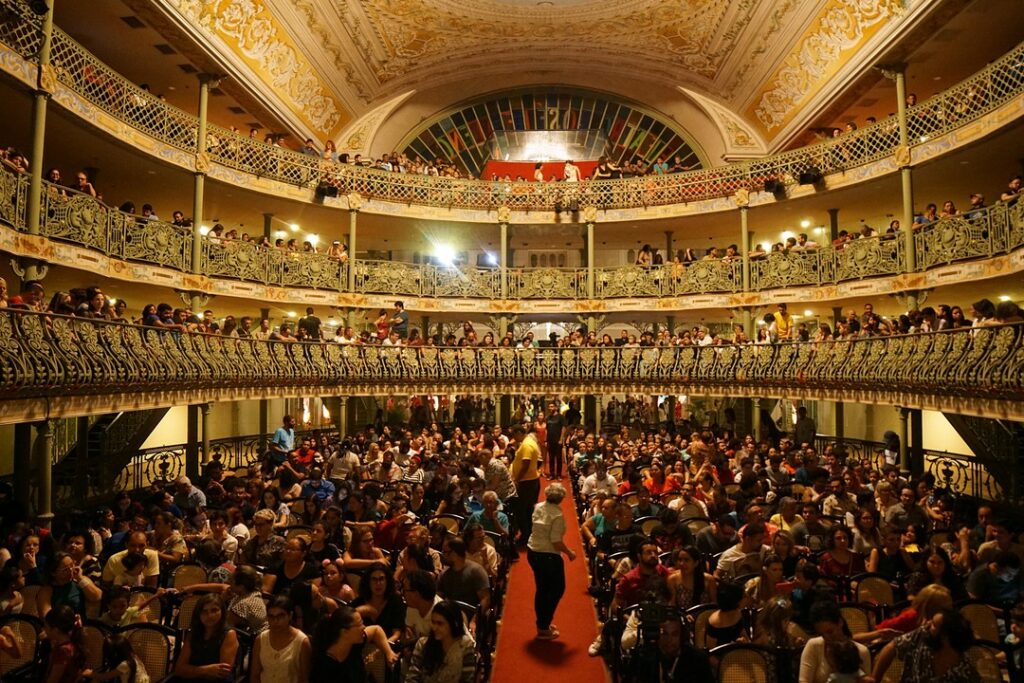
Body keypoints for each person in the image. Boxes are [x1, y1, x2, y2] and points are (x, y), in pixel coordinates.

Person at [872, 609, 980, 683]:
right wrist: (875, 679)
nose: (927, 624)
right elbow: (891, 648)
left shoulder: (965, 673)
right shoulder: (922, 635)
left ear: (945, 637)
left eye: (933, 624)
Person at [526, 482, 576, 640]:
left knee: (542, 589)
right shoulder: (558, 515)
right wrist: (569, 552)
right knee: (556, 590)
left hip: (533, 551)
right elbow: (556, 541)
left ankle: (543, 624)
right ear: (561, 499)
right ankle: (543, 626)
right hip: (548, 556)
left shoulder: (538, 506)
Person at [310, 604, 398, 680]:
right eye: (359, 624)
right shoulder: (324, 666)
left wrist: (389, 653)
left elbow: (376, 630)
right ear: (345, 632)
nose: (364, 627)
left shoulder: (355, 644)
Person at [172, 594, 239, 683]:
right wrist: (206, 670)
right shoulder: (193, 633)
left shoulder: (229, 634)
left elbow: (222, 673)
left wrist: (192, 670)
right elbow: (179, 669)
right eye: (204, 611)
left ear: (222, 611)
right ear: (198, 614)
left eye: (214, 610)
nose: (209, 615)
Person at [799, 601, 870, 683]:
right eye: (821, 634)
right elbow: (804, 681)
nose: (826, 638)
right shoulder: (814, 645)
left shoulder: (862, 651)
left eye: (830, 632)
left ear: (840, 622)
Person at [406, 599, 476, 683]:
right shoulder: (423, 644)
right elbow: (412, 677)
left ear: (453, 624)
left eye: (440, 624)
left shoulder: (465, 646)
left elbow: (467, 680)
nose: (434, 628)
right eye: (433, 622)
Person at [249, 596, 311, 683]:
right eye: (271, 617)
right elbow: (255, 675)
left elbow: (304, 679)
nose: (275, 621)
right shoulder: (261, 639)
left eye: (280, 616)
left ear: (290, 616)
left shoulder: (302, 642)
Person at [510, 425, 541, 545]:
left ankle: (525, 535)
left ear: (519, 433)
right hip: (530, 480)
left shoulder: (527, 444)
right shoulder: (528, 442)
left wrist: (517, 479)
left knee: (521, 510)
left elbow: (525, 464)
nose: (514, 438)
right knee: (527, 509)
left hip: (526, 482)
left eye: (514, 435)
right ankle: (528, 533)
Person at [81, 632, 151, 683]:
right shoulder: (131, 655)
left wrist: (90, 674)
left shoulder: (125, 665)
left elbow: (104, 677)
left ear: (114, 654)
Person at [41, 605, 85, 683]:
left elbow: (53, 680)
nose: (44, 629)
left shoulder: (64, 651)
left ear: (55, 630)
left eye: (46, 627)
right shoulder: (69, 642)